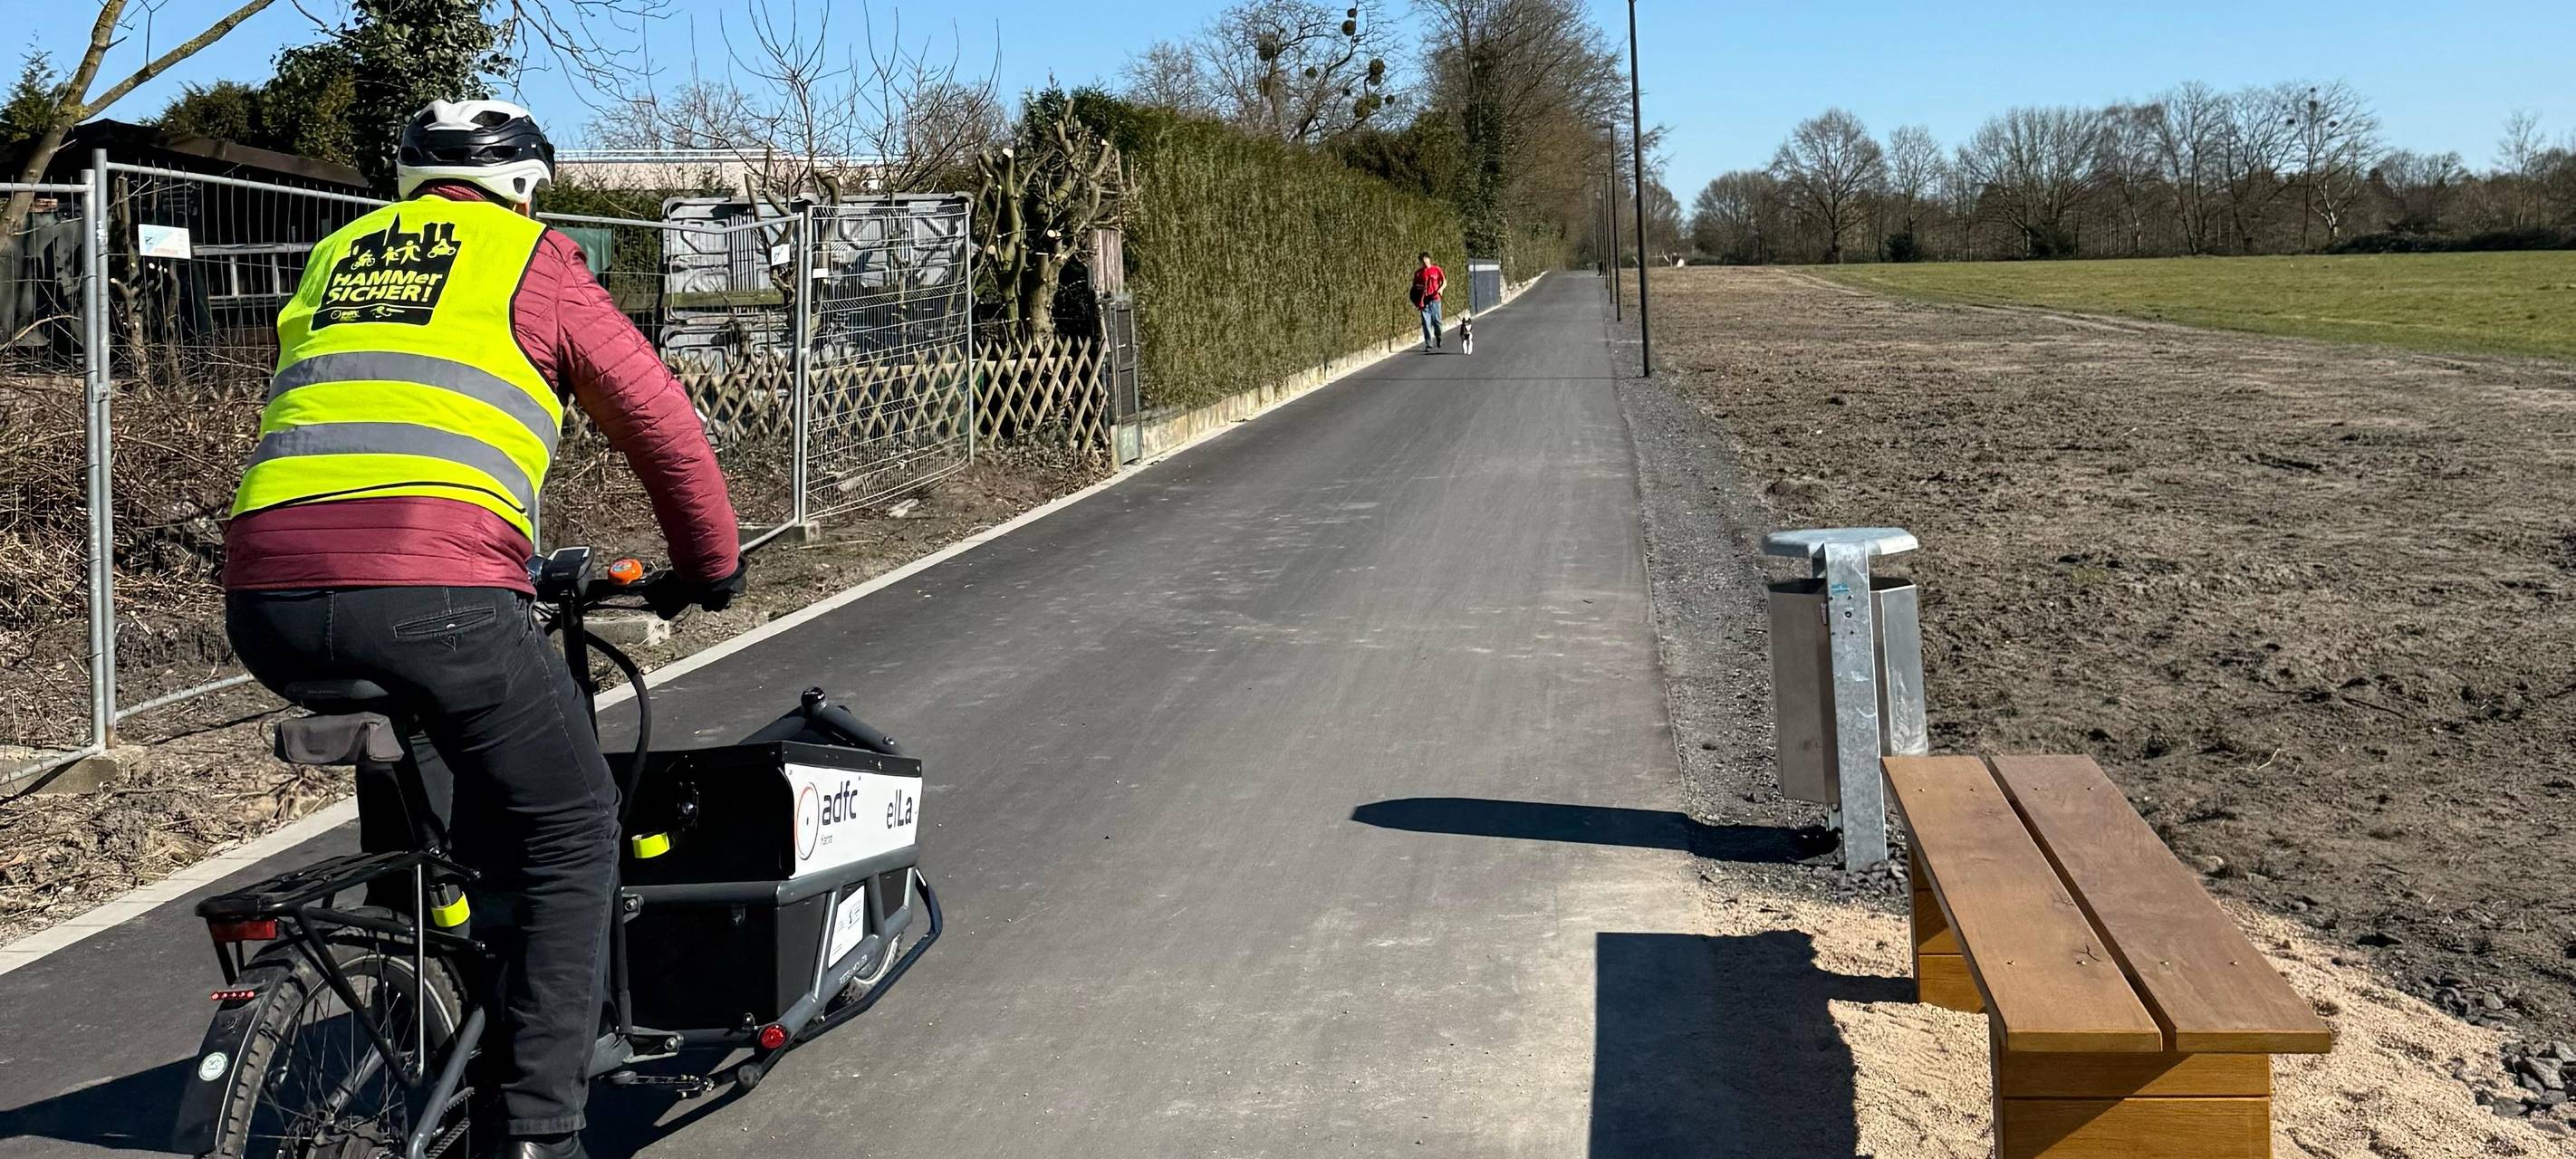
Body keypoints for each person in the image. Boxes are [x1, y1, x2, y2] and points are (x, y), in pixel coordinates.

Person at [224, 100, 744, 1159]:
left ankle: (425, 984)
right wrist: (713, 566)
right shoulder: (531, 258)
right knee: (573, 823)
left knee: (436, 809)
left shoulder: (337, 255)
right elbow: (662, 424)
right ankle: (538, 1131)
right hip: (437, 592)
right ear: (525, 186)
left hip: (266, 593)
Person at [1409, 251, 1445, 351]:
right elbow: (1415, 287)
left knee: (1437, 322)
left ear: (1429, 259)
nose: (1424, 261)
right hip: (1424, 301)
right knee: (1426, 322)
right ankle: (1428, 344)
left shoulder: (1436, 269)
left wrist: (1441, 289)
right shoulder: (1418, 273)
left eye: (1425, 258)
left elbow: (1444, 282)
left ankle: (1438, 336)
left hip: (1435, 299)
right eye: (1422, 260)